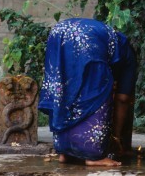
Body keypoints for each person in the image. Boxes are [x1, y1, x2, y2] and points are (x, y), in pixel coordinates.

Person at [38, 18, 137, 166]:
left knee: (64, 91)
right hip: (87, 38)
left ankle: (65, 153)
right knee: (97, 92)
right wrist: (116, 137)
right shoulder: (129, 56)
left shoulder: (113, 45)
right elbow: (123, 98)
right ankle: (94, 156)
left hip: (59, 32)